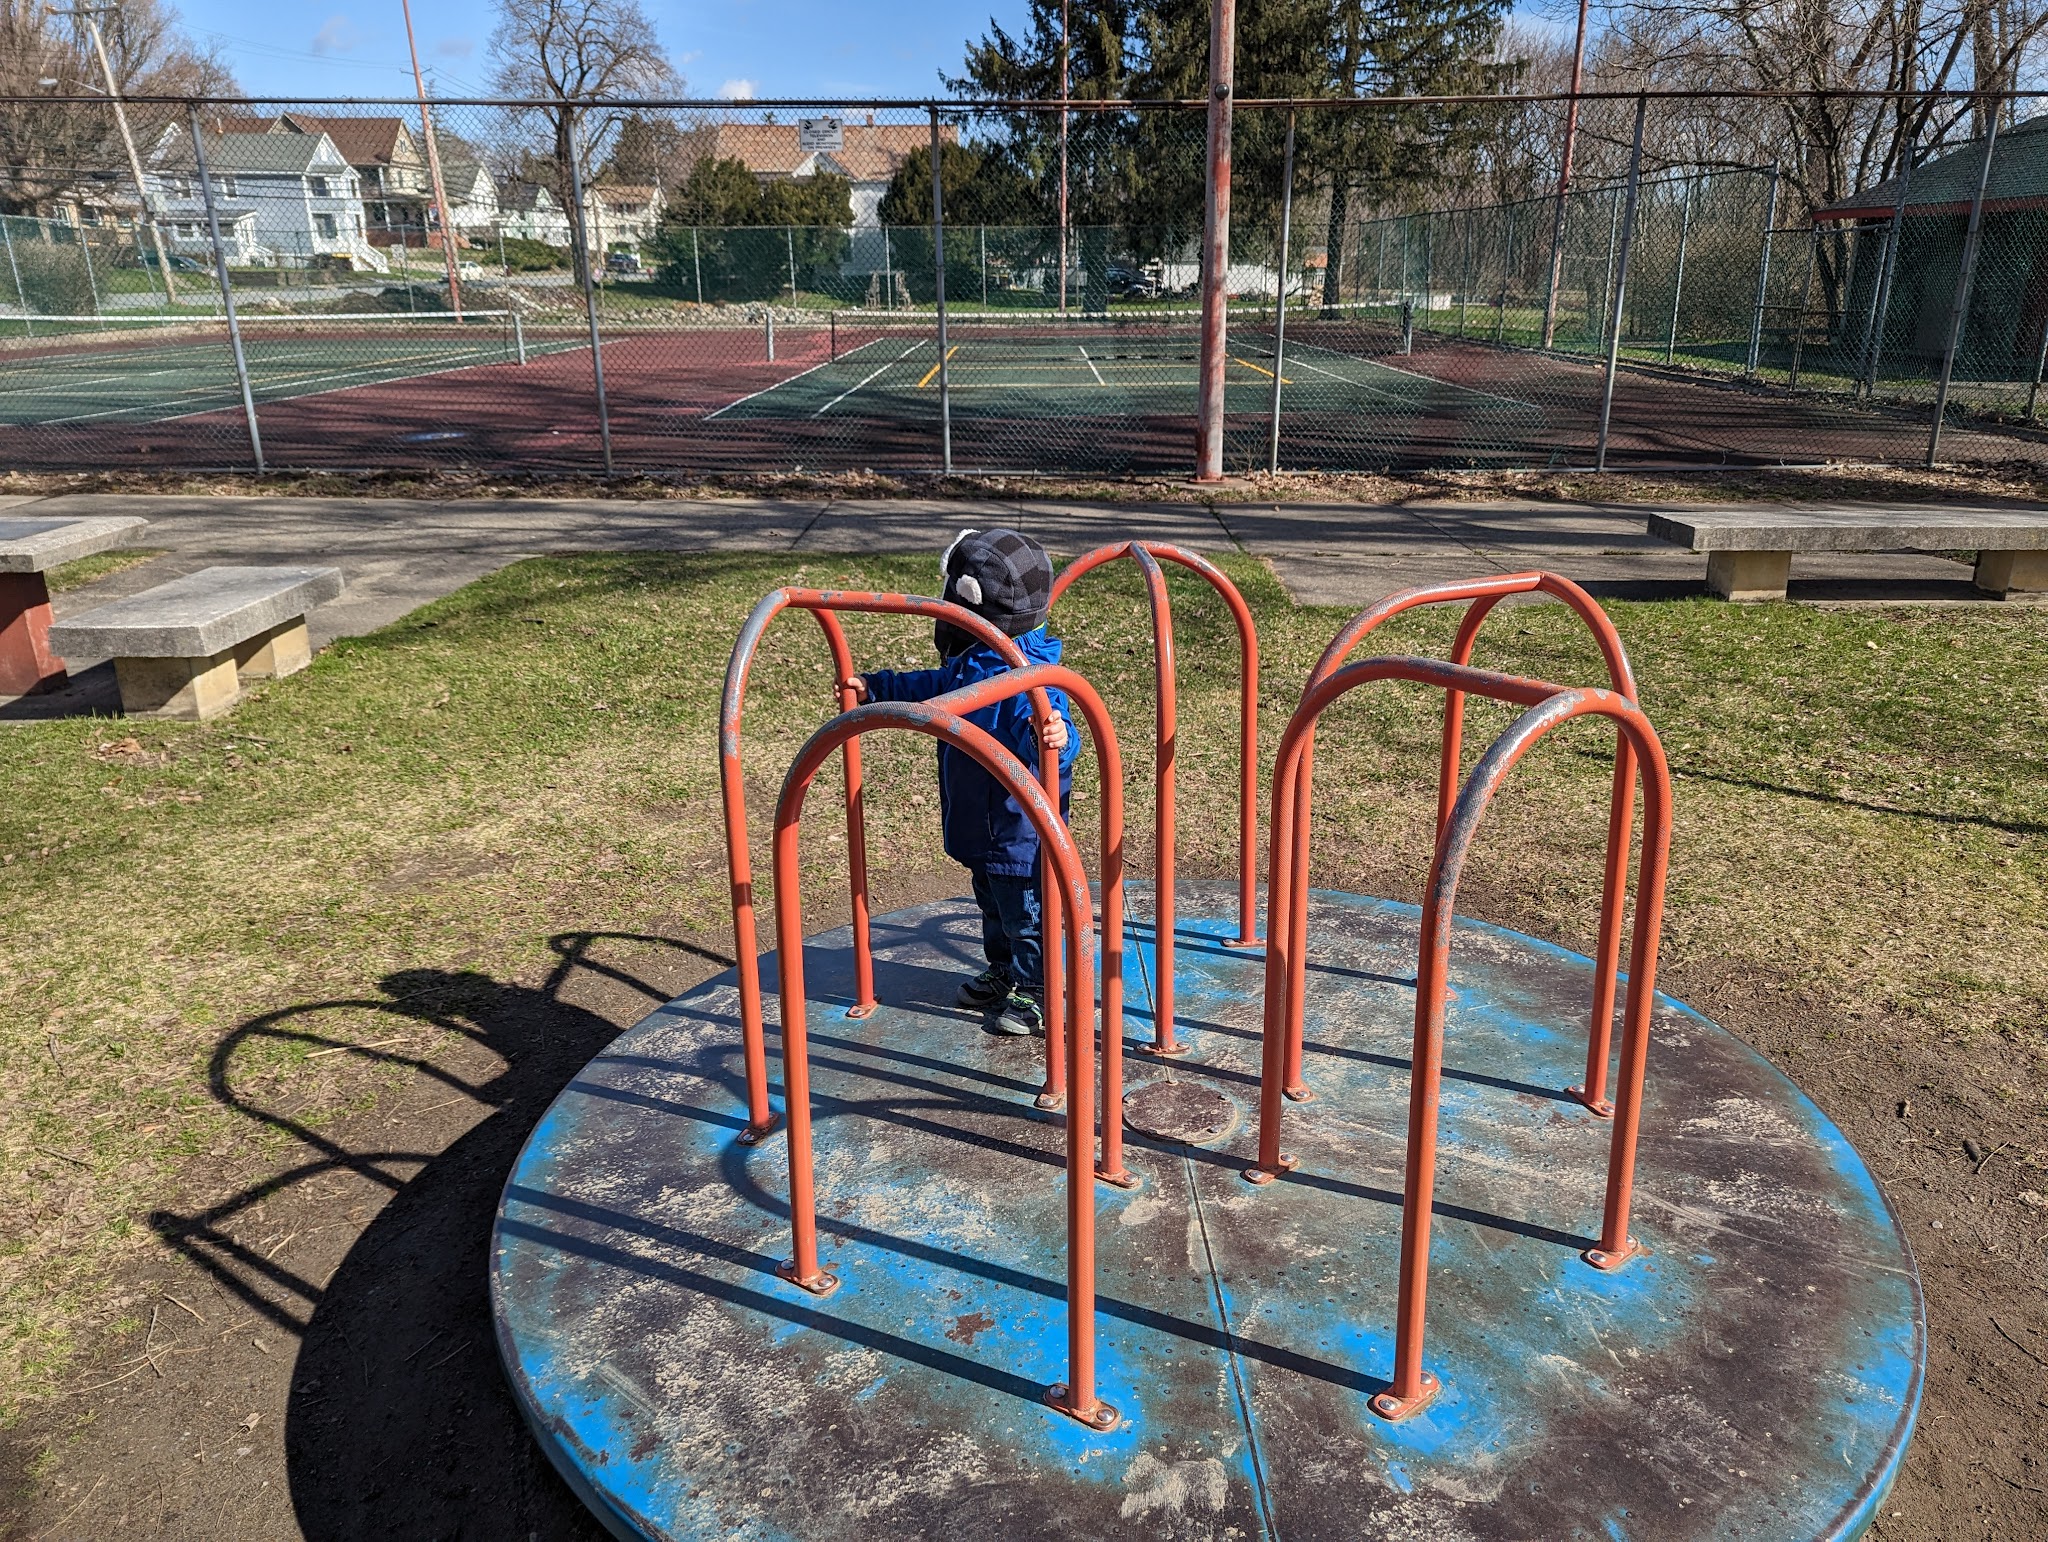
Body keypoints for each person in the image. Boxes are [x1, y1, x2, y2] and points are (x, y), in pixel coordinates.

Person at [846, 529, 1080, 1035]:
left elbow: (1057, 733)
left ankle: (1040, 991)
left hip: (1018, 834)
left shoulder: (1026, 676)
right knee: (992, 908)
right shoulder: (976, 660)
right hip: (982, 827)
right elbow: (936, 683)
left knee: (1027, 918)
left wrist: (1056, 737)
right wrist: (880, 686)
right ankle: (1004, 972)